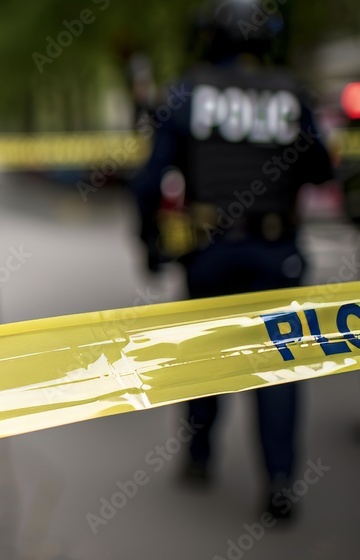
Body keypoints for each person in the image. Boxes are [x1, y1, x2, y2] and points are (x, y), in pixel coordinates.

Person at [130, 0, 335, 521]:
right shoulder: (292, 93)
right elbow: (321, 170)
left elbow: (150, 179)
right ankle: (281, 484)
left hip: (209, 249)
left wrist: (149, 243)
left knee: (207, 358)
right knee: (281, 364)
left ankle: (200, 458)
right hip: (277, 251)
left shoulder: (189, 91)